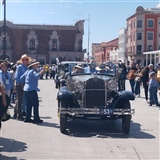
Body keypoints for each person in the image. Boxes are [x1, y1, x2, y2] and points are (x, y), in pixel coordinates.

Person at [20, 59, 45, 123]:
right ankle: (36, 118)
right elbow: (37, 76)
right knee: (35, 104)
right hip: (32, 89)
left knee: (28, 104)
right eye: (36, 64)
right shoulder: (33, 71)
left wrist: (25, 83)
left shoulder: (27, 71)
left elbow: (21, 78)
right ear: (33, 65)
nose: (37, 65)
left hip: (26, 89)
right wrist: (42, 71)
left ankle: (27, 118)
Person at [14, 54, 30, 120]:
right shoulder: (19, 67)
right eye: (24, 59)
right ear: (22, 60)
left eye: (27, 59)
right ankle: (19, 114)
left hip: (25, 84)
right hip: (19, 85)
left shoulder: (27, 67)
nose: (25, 61)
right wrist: (21, 84)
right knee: (19, 99)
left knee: (23, 99)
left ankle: (16, 112)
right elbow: (16, 77)